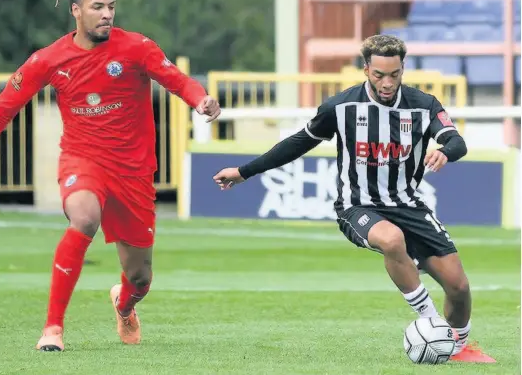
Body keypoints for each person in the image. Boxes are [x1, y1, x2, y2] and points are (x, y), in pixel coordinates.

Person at [0, 0, 221, 352]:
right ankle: (53, 329)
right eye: (98, 7)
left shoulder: (137, 47)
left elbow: (176, 79)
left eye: (111, 7)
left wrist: (200, 99)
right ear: (76, 10)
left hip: (134, 173)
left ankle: (124, 306)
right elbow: (3, 109)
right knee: (84, 218)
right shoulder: (49, 59)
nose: (108, 14)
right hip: (82, 161)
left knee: (140, 277)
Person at [212, 35, 495, 363]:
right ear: (365, 70)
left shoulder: (424, 105)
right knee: (391, 239)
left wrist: (445, 151)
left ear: (403, 70)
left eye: (394, 74)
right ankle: (429, 319)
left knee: (459, 288)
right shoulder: (340, 107)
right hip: (357, 205)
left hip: (408, 205)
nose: (387, 83)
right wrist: (244, 171)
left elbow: (457, 142)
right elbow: (297, 143)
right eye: (379, 75)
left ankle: (458, 347)